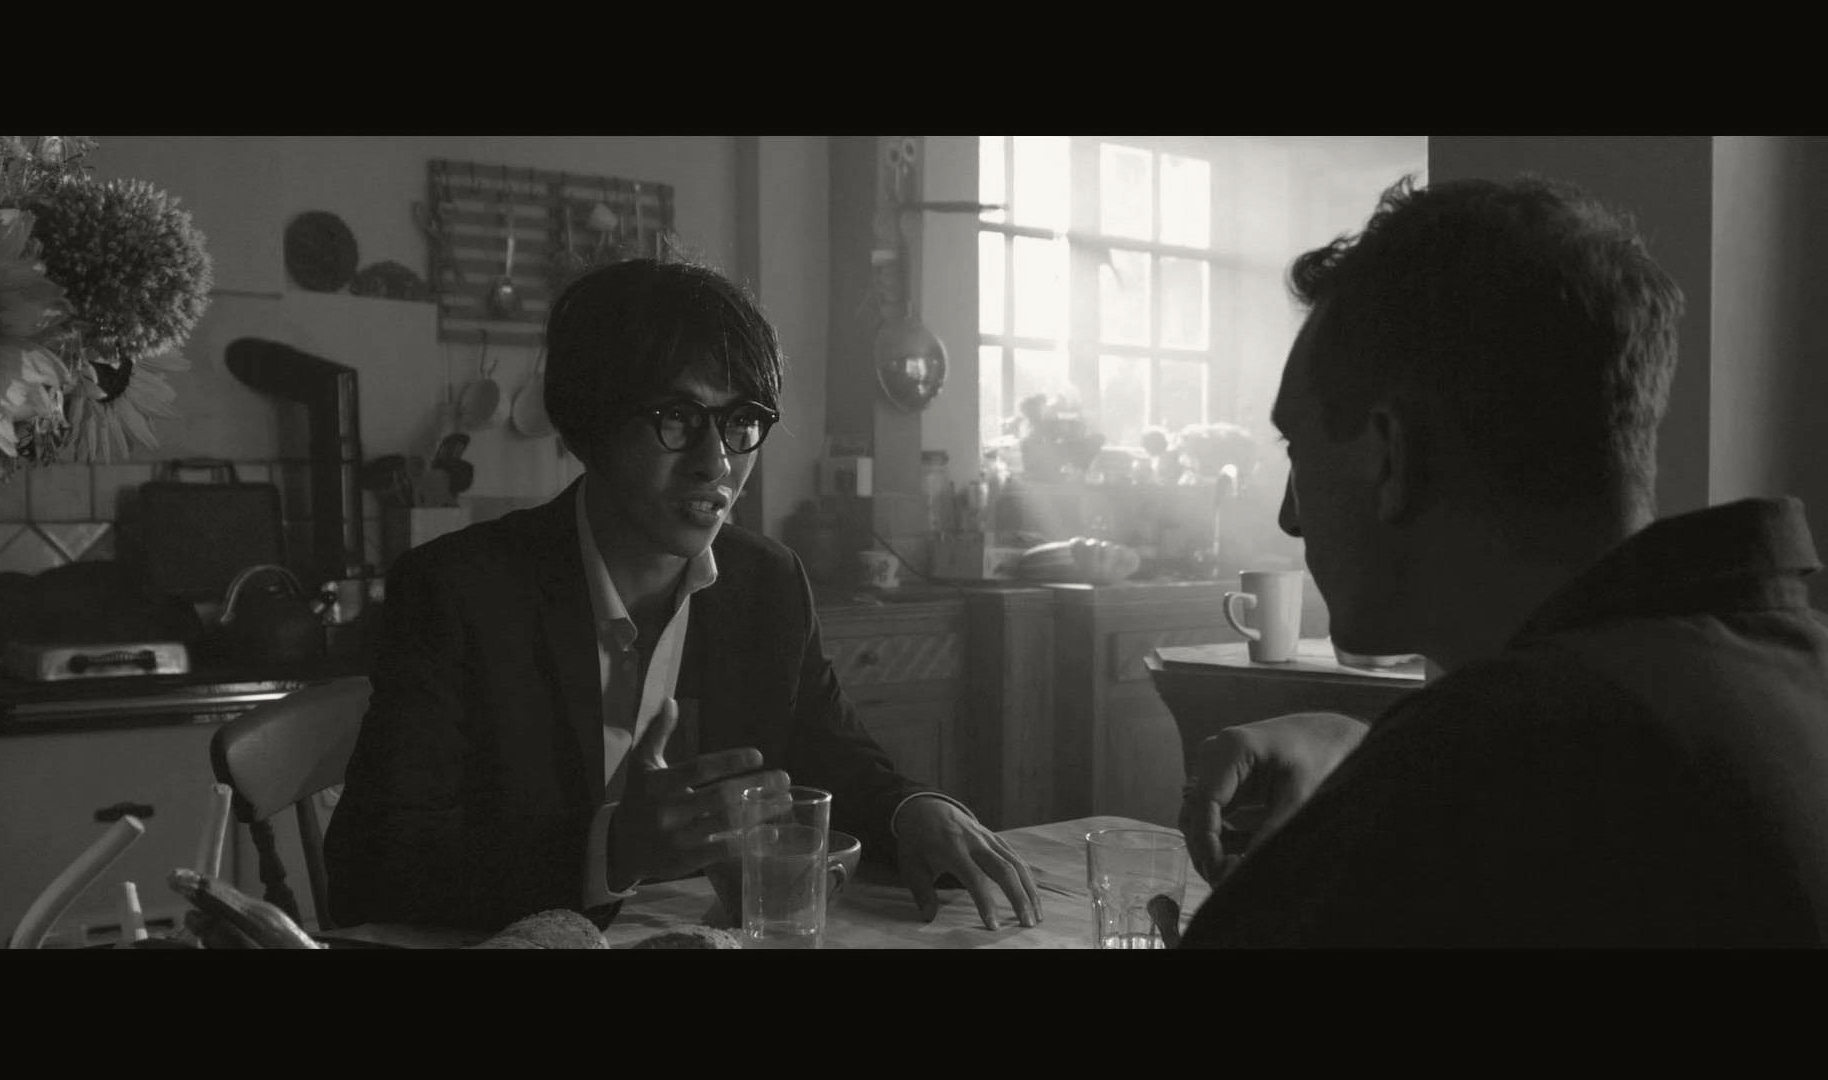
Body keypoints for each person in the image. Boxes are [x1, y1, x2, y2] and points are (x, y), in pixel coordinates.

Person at [1180, 175, 1828, 947]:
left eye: (1297, 450)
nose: (1290, 516)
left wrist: (1360, 809)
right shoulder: (1778, 674)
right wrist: (1369, 751)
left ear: (1390, 456)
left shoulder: (1477, 773)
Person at [324, 258, 1041, 935]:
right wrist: (612, 849)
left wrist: (914, 808)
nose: (716, 461)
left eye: (741, 420)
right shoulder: (459, 592)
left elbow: (832, 754)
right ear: (588, 425)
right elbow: (371, 870)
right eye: (676, 417)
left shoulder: (766, 583)